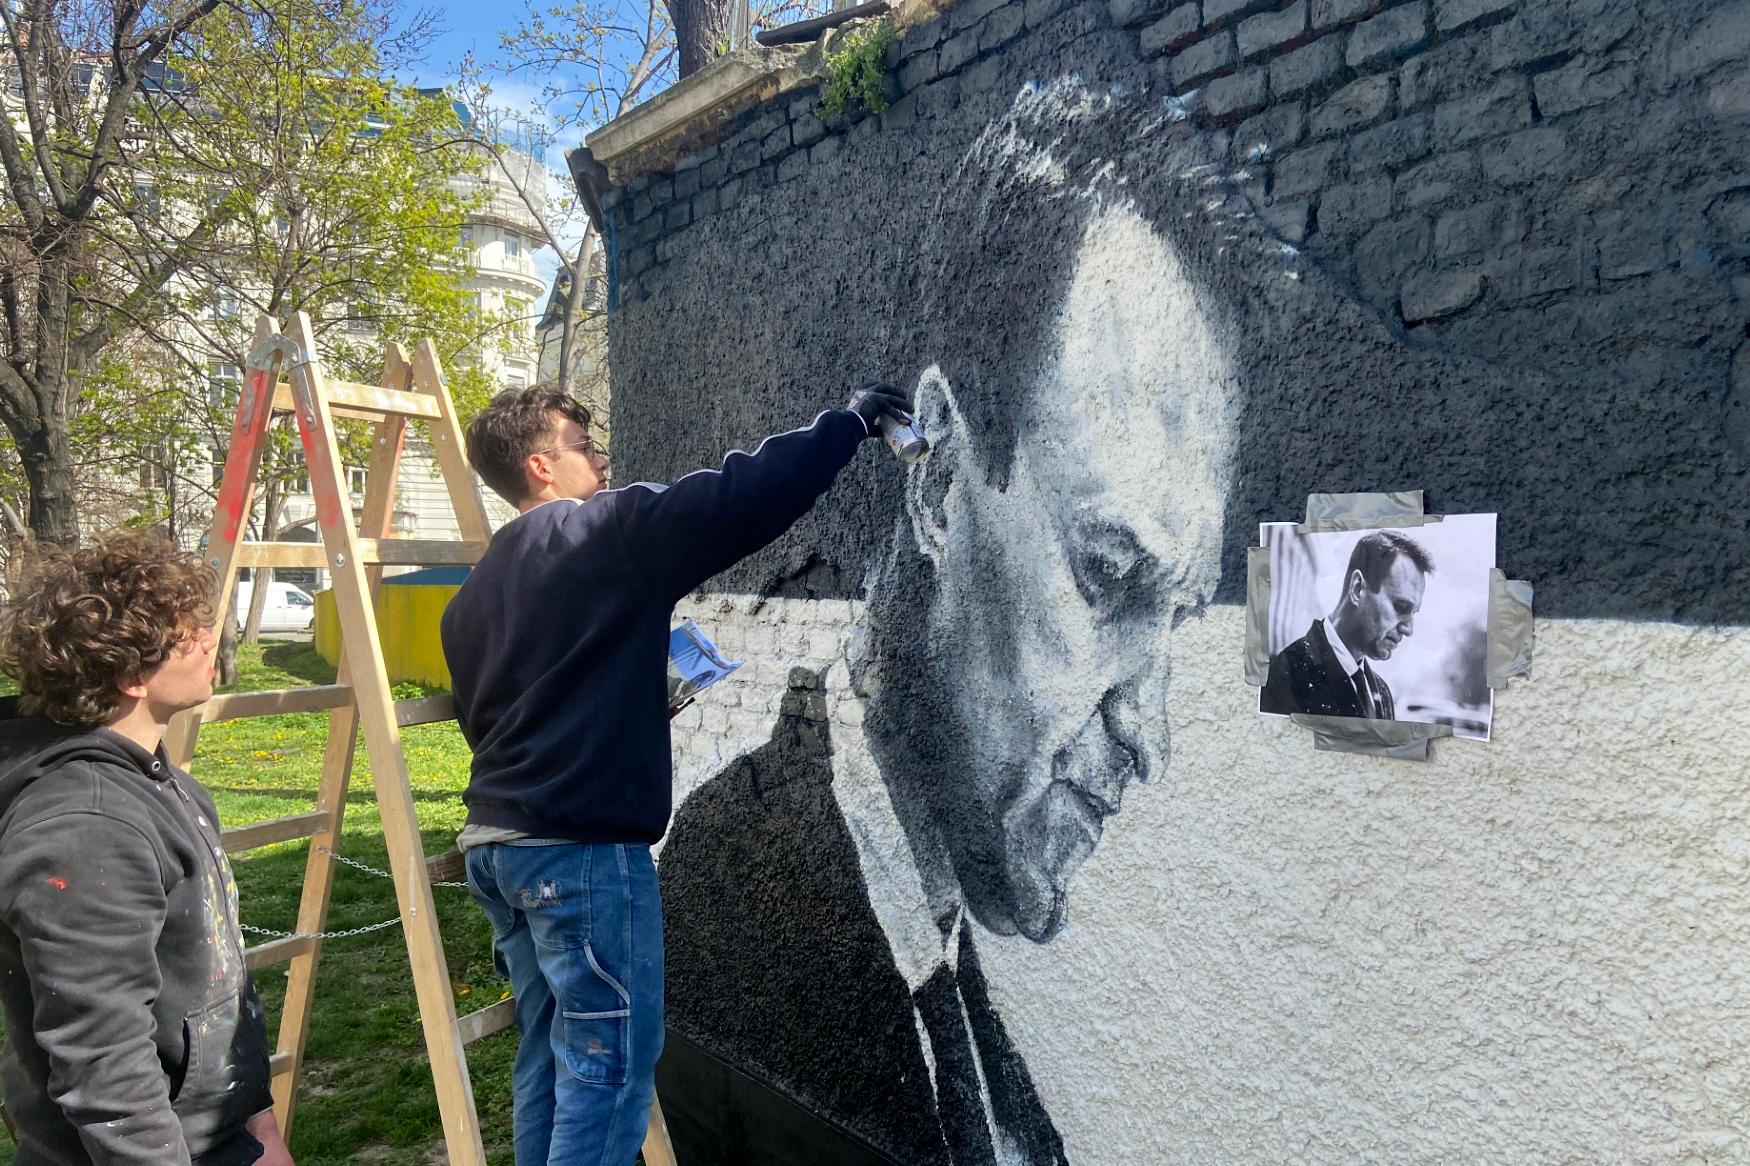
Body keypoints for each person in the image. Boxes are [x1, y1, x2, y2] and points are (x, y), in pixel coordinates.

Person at [658, 78, 1242, 1164]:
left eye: (1177, 617)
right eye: (1109, 575)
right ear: (935, 482)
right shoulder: (732, 885)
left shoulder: (927, 938)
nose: (1148, 735)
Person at [439, 380, 912, 1165]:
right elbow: (738, 497)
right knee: (607, 1074)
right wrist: (850, 423)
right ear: (539, 467)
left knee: (548, 1059)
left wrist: (632, 706)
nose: (600, 458)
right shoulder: (603, 533)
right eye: (581, 446)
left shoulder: (472, 598)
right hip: (579, 854)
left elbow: (506, 719)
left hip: (501, 850)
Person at [0, 532, 290, 1166]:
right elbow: (102, 1061)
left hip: (218, 1139)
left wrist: (260, 1130)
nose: (212, 641)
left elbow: (219, 985)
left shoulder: (167, 785)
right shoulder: (84, 828)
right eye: (189, 635)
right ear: (132, 674)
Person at [1260, 531, 1435, 721]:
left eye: (1413, 613)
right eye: (1401, 607)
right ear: (1357, 589)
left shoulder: (1382, 693)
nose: (1409, 630)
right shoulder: (1286, 676)